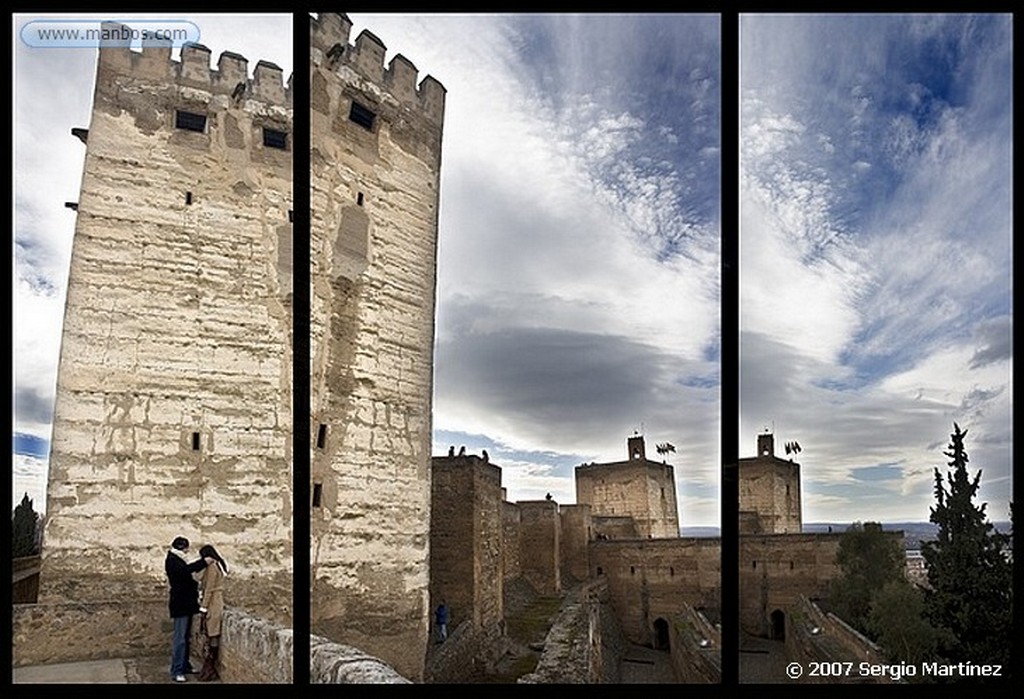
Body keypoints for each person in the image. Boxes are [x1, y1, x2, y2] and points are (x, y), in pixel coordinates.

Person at [165, 536, 211, 683]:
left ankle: (184, 665)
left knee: (185, 638)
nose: (187, 551)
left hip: (187, 604)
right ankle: (176, 670)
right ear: (181, 547)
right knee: (180, 639)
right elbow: (186, 571)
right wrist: (204, 562)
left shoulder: (177, 559)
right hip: (181, 604)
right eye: (186, 548)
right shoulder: (173, 561)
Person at [197, 544, 228, 682]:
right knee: (212, 635)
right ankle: (210, 666)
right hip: (217, 601)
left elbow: (209, 589)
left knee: (212, 634)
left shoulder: (212, 568)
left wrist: (203, 608)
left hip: (213, 604)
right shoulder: (218, 565)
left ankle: (210, 666)